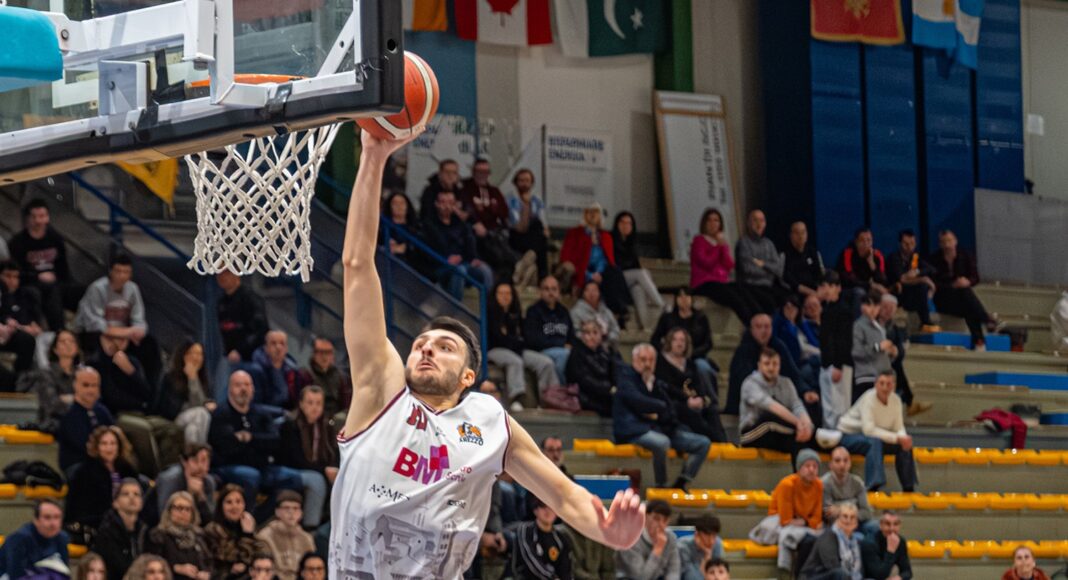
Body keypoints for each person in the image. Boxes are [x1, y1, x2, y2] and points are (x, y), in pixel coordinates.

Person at [328, 129, 643, 578]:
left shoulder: (489, 421)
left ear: (468, 377)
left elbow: (564, 494)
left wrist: (610, 533)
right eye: (420, 344)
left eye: (445, 346)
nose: (426, 348)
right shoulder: (382, 390)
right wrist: (374, 156)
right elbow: (358, 266)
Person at [613, 343, 712, 490]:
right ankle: (661, 485)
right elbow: (639, 402)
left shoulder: (656, 382)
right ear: (634, 360)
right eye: (643, 359)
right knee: (662, 442)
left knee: (703, 443)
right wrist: (659, 407)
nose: (647, 364)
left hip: (658, 428)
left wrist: (658, 409)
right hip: (632, 430)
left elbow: (670, 406)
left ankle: (682, 481)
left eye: (651, 360)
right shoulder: (625, 377)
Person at [208, 370, 303, 517]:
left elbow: (275, 442)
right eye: (238, 385)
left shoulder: (261, 413)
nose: (243, 389)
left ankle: (259, 517)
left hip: (262, 467)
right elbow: (228, 448)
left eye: (247, 385)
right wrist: (259, 443)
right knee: (251, 476)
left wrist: (250, 438)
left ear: (253, 389)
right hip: (229, 467)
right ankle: (246, 518)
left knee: (293, 479)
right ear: (230, 389)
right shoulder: (221, 414)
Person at [90, 330, 181, 478]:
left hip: (141, 413)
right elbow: (110, 396)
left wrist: (131, 372)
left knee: (172, 429)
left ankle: (170, 474)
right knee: (143, 430)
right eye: (112, 339)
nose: (116, 344)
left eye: (121, 340)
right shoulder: (98, 364)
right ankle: (155, 477)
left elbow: (146, 393)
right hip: (118, 414)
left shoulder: (132, 362)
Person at [74, 253, 162, 385]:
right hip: (93, 333)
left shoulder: (132, 289)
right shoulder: (98, 288)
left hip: (122, 335)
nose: (122, 276)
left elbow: (140, 323)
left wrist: (126, 335)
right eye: (118, 271)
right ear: (111, 271)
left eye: (126, 272)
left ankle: (150, 389)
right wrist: (123, 333)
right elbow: (94, 323)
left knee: (149, 344)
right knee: (102, 347)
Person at [837, 371, 919, 492]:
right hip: (849, 435)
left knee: (904, 445)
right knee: (875, 442)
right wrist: (896, 438)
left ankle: (909, 487)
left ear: (894, 385)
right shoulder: (869, 398)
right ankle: (873, 485)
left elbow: (899, 427)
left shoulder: (896, 400)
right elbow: (868, 430)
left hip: (873, 438)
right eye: (882, 383)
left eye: (889, 384)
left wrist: (903, 438)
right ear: (876, 385)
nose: (885, 387)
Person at [726, 314, 818, 419]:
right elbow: (749, 386)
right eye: (759, 327)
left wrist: (805, 390)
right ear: (751, 329)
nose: (763, 331)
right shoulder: (743, 351)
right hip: (752, 405)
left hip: (775, 396)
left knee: (810, 403)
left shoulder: (779, 346)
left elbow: (793, 373)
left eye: (766, 327)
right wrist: (797, 422)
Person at [486, 282, 560, 411]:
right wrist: (514, 341)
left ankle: (550, 399)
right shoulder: (489, 313)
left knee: (545, 362)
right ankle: (516, 399)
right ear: (495, 295)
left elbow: (523, 338)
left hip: (517, 350)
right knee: (515, 361)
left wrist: (513, 340)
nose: (505, 296)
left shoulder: (516, 312)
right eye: (501, 293)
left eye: (508, 293)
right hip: (495, 350)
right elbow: (498, 339)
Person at [749, 449, 823, 574]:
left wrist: (804, 522)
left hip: (802, 525)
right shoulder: (787, 484)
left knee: (818, 537)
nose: (811, 470)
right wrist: (807, 522)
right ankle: (787, 571)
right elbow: (785, 520)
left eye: (815, 466)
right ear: (799, 468)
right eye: (807, 466)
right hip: (777, 523)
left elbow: (817, 519)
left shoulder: (819, 485)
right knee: (796, 537)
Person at [8, 199, 75, 332]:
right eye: (34, 217)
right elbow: (16, 273)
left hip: (56, 281)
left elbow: (63, 267)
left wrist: (61, 279)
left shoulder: (56, 238)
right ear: (27, 219)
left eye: (42, 216)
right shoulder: (17, 242)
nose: (38, 221)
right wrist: (37, 276)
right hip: (30, 282)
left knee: (79, 290)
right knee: (49, 292)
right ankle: (57, 331)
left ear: (48, 217)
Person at [65, 426, 139, 542]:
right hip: (97, 525)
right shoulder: (84, 472)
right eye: (104, 444)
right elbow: (79, 508)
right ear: (96, 447)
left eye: (113, 443)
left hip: (127, 522)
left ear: (119, 446)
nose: (109, 448)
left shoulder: (127, 470)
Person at [278, 386, 338, 529]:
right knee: (317, 480)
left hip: (318, 469)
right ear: (301, 404)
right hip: (292, 470)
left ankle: (334, 525)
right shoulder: (291, 425)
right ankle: (311, 527)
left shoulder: (327, 425)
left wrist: (334, 468)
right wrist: (324, 470)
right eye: (310, 403)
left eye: (318, 403)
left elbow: (334, 451)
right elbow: (294, 459)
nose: (315, 408)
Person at [930, 229, 1001, 349]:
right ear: (940, 244)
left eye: (949, 241)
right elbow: (934, 284)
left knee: (967, 301)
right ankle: (985, 322)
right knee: (967, 297)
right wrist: (952, 286)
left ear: (955, 241)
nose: (947, 245)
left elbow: (975, 277)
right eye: (944, 242)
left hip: (962, 299)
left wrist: (967, 281)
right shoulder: (934, 260)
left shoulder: (965, 255)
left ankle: (979, 342)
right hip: (944, 300)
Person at [738, 348, 815, 456]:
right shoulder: (750, 383)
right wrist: (798, 424)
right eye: (767, 364)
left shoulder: (786, 382)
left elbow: (797, 405)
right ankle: (799, 430)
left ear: (780, 365)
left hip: (776, 432)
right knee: (770, 419)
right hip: (751, 434)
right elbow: (772, 407)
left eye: (775, 364)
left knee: (797, 443)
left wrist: (807, 425)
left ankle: (801, 472)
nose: (771, 368)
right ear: (759, 365)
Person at [558, 203, 631, 316]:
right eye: (590, 212)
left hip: (602, 275)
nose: (592, 216)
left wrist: (599, 274)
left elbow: (607, 260)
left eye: (596, 213)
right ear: (585, 215)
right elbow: (566, 258)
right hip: (582, 274)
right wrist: (590, 275)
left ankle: (620, 309)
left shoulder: (606, 237)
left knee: (615, 271)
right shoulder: (575, 234)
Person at [655, 327, 726, 442]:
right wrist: (687, 399)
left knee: (711, 410)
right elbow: (666, 387)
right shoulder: (661, 362)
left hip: (693, 400)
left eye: (682, 340)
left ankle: (724, 444)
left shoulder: (690, 363)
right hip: (674, 403)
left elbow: (698, 384)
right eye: (676, 340)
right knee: (690, 413)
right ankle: (714, 440)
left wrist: (701, 399)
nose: (679, 343)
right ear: (669, 342)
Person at [690, 208, 760, 323]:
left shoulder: (721, 242)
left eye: (716, 220)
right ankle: (751, 324)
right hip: (704, 283)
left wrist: (723, 247)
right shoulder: (699, 241)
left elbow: (729, 265)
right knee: (734, 298)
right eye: (709, 220)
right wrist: (717, 247)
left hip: (720, 282)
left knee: (744, 290)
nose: (713, 224)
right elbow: (707, 263)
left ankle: (760, 319)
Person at [423, 189, 494, 300]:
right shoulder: (429, 225)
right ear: (436, 204)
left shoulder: (461, 224)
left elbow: (469, 245)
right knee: (460, 270)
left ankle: (489, 308)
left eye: (450, 203)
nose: (447, 206)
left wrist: (473, 258)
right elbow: (428, 250)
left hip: (463, 262)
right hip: (440, 265)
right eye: (443, 202)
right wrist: (446, 258)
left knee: (484, 269)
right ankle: (455, 311)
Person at [650, 287, 717, 394]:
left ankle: (709, 400)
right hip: (671, 357)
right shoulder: (667, 318)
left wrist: (691, 354)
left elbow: (708, 343)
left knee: (703, 368)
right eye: (680, 296)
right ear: (676, 299)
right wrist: (666, 352)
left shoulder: (701, 318)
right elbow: (654, 339)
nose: (684, 299)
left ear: (691, 299)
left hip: (695, 357)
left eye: (687, 296)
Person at [459, 158, 517, 280]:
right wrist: (481, 216)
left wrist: (487, 209)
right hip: (475, 231)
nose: (482, 175)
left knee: (506, 250)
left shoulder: (494, 191)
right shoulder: (465, 189)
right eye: (479, 171)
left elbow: (503, 212)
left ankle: (511, 274)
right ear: (473, 171)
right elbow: (467, 211)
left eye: (486, 172)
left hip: (495, 231)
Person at [18, 329, 81, 434]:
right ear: (55, 349)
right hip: (53, 424)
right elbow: (52, 404)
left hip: (78, 422)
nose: (68, 344)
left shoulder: (82, 374)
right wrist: (77, 400)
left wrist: (69, 399)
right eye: (63, 341)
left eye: (71, 341)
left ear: (77, 348)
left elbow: (93, 401)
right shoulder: (46, 374)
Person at [877, 295, 930, 417]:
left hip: (889, 362)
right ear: (879, 307)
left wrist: (896, 351)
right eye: (885, 307)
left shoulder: (894, 328)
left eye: (892, 308)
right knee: (896, 367)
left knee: (897, 365)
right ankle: (908, 401)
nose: (889, 310)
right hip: (875, 361)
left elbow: (900, 351)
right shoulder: (873, 325)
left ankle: (907, 401)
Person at [612, 211, 664, 330]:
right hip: (616, 279)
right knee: (642, 273)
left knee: (638, 289)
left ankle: (645, 327)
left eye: (629, 223)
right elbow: (615, 265)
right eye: (622, 222)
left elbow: (636, 265)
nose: (626, 225)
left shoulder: (632, 244)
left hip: (629, 281)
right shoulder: (611, 240)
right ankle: (660, 304)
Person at [58, 365, 114, 475]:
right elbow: (84, 445)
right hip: (78, 465)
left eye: (95, 385)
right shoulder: (67, 413)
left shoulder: (102, 411)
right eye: (86, 385)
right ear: (75, 385)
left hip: (103, 463)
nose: (91, 390)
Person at [144, 491, 212, 580]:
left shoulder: (199, 536)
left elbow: (210, 563)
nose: (184, 512)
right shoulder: (158, 535)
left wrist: (206, 573)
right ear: (169, 511)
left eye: (188, 509)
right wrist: (176, 568)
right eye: (179, 508)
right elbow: (151, 564)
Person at [145, 443, 216, 528]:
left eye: (204, 461)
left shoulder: (208, 482)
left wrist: (200, 497)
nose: (200, 466)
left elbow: (210, 522)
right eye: (195, 461)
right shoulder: (170, 479)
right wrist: (189, 494)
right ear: (184, 462)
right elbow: (164, 518)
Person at [157, 340, 214, 445]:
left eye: (199, 354)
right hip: (173, 421)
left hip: (195, 421)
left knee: (192, 429)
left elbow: (204, 402)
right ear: (182, 356)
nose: (196, 358)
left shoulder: (203, 379)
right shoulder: (170, 377)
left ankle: (192, 457)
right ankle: (200, 453)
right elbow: (170, 409)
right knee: (201, 413)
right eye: (191, 353)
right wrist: (192, 379)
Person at [817, 272, 854, 430]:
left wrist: (838, 365)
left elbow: (844, 340)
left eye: (831, 286)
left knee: (840, 407)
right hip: (827, 364)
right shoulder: (826, 309)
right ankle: (829, 438)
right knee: (829, 407)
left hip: (839, 366)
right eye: (825, 286)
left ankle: (840, 440)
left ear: (838, 288)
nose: (827, 290)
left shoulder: (844, 310)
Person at [205, 484, 266, 580]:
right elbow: (232, 558)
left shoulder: (247, 524)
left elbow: (261, 553)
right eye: (229, 502)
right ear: (221, 506)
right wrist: (247, 536)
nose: (235, 506)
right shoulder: (213, 529)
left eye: (238, 502)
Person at [523, 275, 574, 387]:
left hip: (563, 351)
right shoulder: (533, 311)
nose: (550, 292)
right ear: (540, 292)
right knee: (565, 355)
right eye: (546, 289)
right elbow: (533, 339)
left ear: (559, 292)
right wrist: (560, 344)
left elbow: (571, 335)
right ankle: (562, 389)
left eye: (554, 289)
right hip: (542, 351)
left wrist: (569, 344)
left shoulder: (564, 311)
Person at [92, 478, 148, 580]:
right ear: (115, 502)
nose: (132, 497)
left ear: (142, 503)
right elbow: (116, 567)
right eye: (125, 494)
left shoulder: (144, 530)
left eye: (136, 494)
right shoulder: (107, 531)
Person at [565, 319, 622, 418]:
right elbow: (582, 380)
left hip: (606, 393)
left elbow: (616, 373)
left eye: (595, 332)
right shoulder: (576, 353)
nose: (591, 336)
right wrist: (608, 390)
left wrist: (615, 389)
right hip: (585, 395)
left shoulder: (607, 353)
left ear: (601, 335)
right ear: (582, 336)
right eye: (587, 333)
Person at [509, 494, 573, 580]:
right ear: (535, 510)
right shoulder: (525, 530)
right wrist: (552, 578)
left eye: (551, 507)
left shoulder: (561, 538)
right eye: (543, 506)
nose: (548, 511)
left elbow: (565, 569)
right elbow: (530, 561)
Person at [0, 500, 69, 578]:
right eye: (47, 517)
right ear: (36, 520)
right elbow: (15, 575)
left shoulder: (62, 538)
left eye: (57, 517)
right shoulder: (19, 538)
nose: (53, 523)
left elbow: (64, 572)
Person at [255, 491, 315, 580]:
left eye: (295, 508)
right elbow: (265, 569)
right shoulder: (265, 537)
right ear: (277, 511)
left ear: (301, 513)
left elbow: (311, 567)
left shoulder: (307, 538)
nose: (291, 512)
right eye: (286, 508)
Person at [885, 230, 938, 330]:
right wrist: (923, 279)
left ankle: (926, 321)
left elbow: (932, 269)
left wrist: (918, 272)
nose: (909, 247)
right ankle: (925, 321)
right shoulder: (894, 258)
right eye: (906, 244)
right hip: (898, 295)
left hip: (912, 295)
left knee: (924, 287)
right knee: (922, 285)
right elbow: (902, 279)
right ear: (900, 244)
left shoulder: (915, 257)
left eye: (912, 243)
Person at [735, 209, 785, 314]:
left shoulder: (769, 244)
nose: (758, 224)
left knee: (790, 300)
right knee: (770, 303)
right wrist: (769, 271)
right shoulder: (744, 243)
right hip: (751, 287)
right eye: (755, 220)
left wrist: (762, 264)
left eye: (761, 221)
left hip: (769, 286)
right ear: (748, 223)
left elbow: (779, 270)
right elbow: (748, 269)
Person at [615, 499, 680, 580]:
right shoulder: (631, 537)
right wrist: (658, 549)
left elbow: (674, 571)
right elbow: (641, 577)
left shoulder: (671, 537)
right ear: (645, 517)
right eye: (656, 518)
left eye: (665, 520)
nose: (661, 524)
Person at [821, 447, 878, 539]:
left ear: (850, 463)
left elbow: (867, 512)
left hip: (856, 522)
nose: (842, 464)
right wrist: (853, 503)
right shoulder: (824, 483)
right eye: (837, 460)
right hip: (834, 525)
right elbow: (828, 513)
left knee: (875, 527)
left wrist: (840, 509)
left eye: (845, 460)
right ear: (830, 464)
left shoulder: (857, 482)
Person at [507, 168, 551, 285]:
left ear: (531, 183)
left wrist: (545, 229)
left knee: (539, 229)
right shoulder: (510, 199)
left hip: (532, 238)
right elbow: (516, 225)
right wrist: (526, 206)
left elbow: (543, 222)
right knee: (540, 240)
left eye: (527, 180)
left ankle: (530, 256)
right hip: (516, 237)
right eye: (521, 180)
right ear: (516, 183)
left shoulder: (536, 200)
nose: (524, 183)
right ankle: (543, 277)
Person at [0, 259, 44, 375]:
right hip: (4, 332)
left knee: (32, 339)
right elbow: (4, 317)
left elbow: (30, 319)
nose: (12, 281)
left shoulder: (25, 294)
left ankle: (24, 377)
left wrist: (33, 324)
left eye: (15, 277)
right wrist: (23, 327)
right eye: (8, 276)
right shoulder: (2, 294)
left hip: (14, 335)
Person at [799, 502, 863, 580]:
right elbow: (832, 566)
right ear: (837, 518)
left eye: (852, 517)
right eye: (845, 516)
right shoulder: (828, 537)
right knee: (840, 573)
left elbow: (858, 571)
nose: (848, 520)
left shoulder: (855, 541)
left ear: (856, 522)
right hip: (813, 577)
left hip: (841, 576)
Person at [851, 291, 895, 404]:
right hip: (866, 377)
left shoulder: (880, 327)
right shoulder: (858, 326)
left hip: (882, 377)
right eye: (869, 305)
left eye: (876, 305)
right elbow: (856, 352)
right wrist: (877, 347)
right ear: (862, 306)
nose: (872, 309)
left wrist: (891, 353)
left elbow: (882, 354)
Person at [216, 270, 269, 364]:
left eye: (226, 273)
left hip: (253, 357)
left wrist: (240, 350)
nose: (222, 276)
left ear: (237, 274)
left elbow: (260, 329)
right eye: (219, 273)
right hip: (230, 356)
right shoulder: (222, 303)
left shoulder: (250, 298)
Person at [773, 295, 821, 396]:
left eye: (793, 308)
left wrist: (801, 322)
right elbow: (798, 348)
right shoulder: (781, 326)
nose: (791, 310)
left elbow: (814, 343)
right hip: (796, 366)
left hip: (810, 361)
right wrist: (789, 322)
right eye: (787, 307)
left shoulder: (801, 326)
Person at [251, 330, 310, 410]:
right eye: (273, 343)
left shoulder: (294, 370)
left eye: (282, 343)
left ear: (286, 348)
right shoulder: (256, 370)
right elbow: (256, 404)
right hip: (266, 415)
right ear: (266, 348)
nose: (278, 347)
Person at [380, 191, 430, 276]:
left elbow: (422, 248)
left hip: (412, 267)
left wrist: (405, 248)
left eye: (402, 203)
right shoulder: (382, 226)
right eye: (395, 203)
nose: (399, 206)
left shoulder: (417, 227)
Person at [302, 337, 350, 425]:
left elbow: (345, 402)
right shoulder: (306, 375)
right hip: (315, 417)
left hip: (336, 417)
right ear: (314, 354)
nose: (324, 357)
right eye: (321, 352)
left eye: (328, 353)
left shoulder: (339, 376)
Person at [836, 227, 889, 299]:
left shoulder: (877, 255)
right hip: (849, 289)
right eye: (862, 241)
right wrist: (870, 285)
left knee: (886, 296)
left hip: (870, 288)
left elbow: (883, 280)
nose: (866, 244)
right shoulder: (847, 254)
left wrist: (872, 264)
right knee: (860, 292)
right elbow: (848, 280)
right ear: (856, 242)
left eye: (869, 240)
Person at [860, 511, 912, 580]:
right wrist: (890, 551)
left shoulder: (900, 541)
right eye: (887, 524)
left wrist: (898, 578)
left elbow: (907, 572)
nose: (891, 528)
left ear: (900, 525)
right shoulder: (869, 543)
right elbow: (878, 576)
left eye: (895, 524)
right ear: (881, 525)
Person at [570, 280, 621, 346]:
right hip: (585, 348)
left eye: (594, 290)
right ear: (583, 293)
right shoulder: (576, 312)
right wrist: (592, 339)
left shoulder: (606, 311)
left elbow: (615, 328)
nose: (591, 293)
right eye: (587, 290)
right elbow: (575, 332)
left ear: (599, 293)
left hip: (607, 346)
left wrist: (608, 339)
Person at [782, 222, 825, 298]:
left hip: (815, 291)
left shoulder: (813, 253)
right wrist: (809, 292)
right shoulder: (784, 255)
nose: (800, 236)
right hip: (795, 293)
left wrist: (819, 290)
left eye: (803, 232)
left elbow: (820, 274)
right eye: (797, 233)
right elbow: (787, 279)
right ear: (791, 235)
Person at [678, 513, 724, 580]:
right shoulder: (683, 546)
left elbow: (718, 576)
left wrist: (708, 554)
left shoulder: (717, 543)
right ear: (697, 534)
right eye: (708, 535)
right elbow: (691, 578)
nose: (711, 541)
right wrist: (707, 556)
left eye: (714, 536)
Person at [419, 158, 461, 223]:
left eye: (454, 173)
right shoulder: (430, 192)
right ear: (440, 174)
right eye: (447, 172)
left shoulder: (460, 192)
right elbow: (427, 215)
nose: (450, 175)